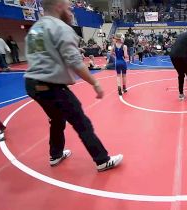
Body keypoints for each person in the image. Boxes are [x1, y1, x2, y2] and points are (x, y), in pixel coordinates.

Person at [24, 0, 123, 172]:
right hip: (51, 86)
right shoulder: (61, 28)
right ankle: (102, 160)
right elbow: (75, 62)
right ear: (59, 7)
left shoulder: (35, 29)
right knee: (81, 122)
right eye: (69, 8)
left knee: (56, 119)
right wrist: (95, 83)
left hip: (32, 84)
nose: (71, 13)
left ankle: (56, 154)